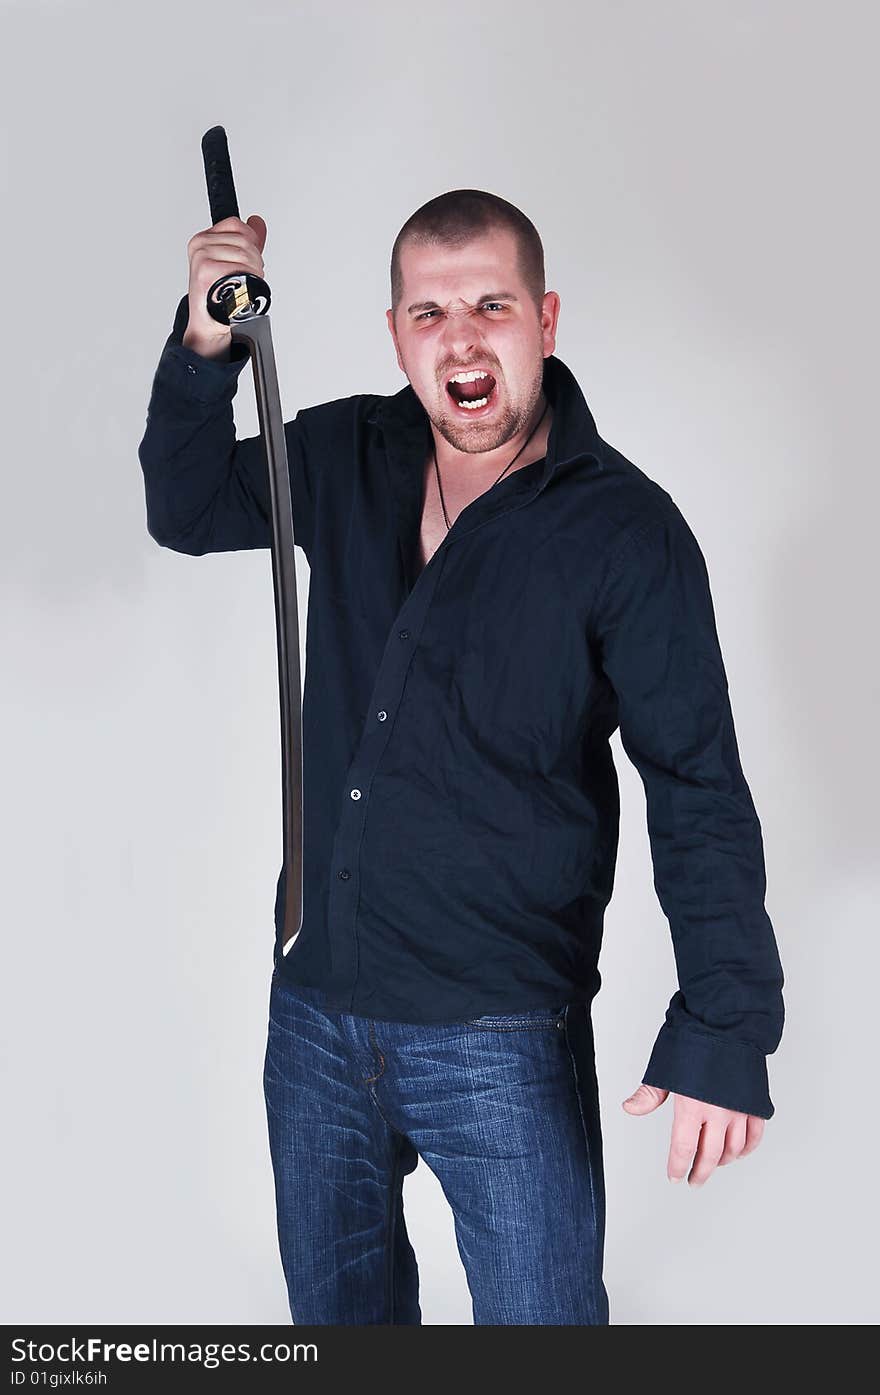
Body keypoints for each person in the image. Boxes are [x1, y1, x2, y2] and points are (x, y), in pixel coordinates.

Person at [138, 189, 785, 1325]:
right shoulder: (342, 451)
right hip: (318, 1017)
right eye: (430, 311)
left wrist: (725, 1028)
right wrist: (205, 337)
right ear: (398, 333)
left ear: (544, 318)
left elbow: (696, 783)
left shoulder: (625, 529)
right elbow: (185, 505)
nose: (462, 335)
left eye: (491, 303)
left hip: (498, 1037)